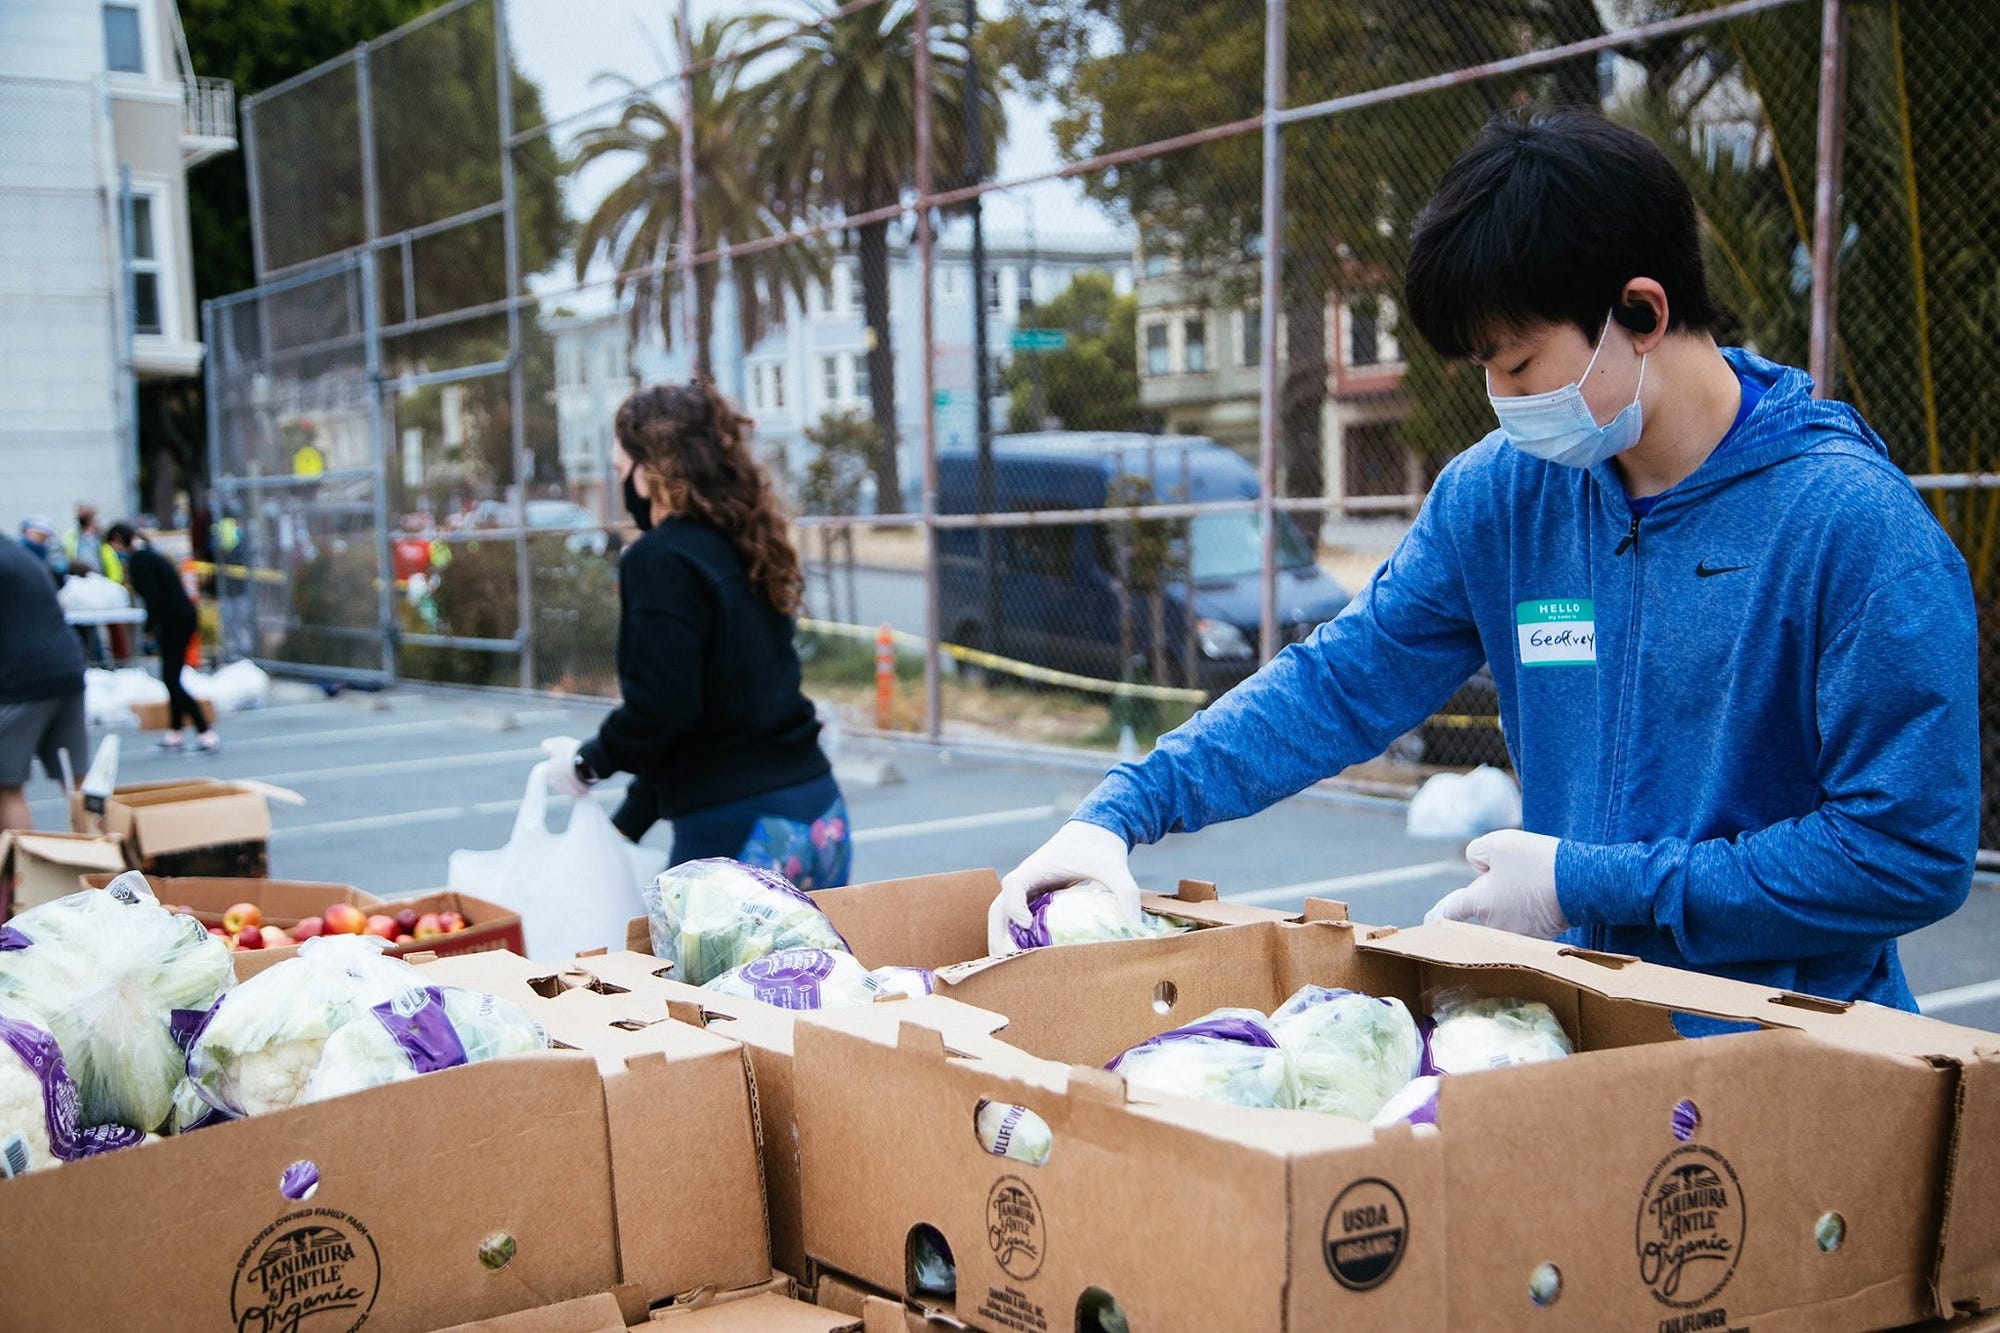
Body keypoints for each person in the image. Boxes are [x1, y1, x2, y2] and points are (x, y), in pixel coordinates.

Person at [996, 110, 1977, 1019]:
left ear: (1637, 310)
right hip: (1577, 1051)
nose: (1500, 404)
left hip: (1792, 1061)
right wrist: (1121, 811)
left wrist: (1581, 883)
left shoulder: (1848, 528)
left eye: (1514, 367)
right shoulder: (1502, 495)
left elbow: (1903, 853)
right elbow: (1340, 682)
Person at [541, 381, 851, 889]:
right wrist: (628, 824)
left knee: (689, 973)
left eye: (621, 471)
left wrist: (585, 764)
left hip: (740, 833)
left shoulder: (658, 558)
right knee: (817, 970)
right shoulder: (750, 547)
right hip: (820, 817)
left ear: (650, 470)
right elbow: (711, 713)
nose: (622, 486)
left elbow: (662, 709)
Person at [105, 522, 218, 754]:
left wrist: (149, 629)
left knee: (171, 679)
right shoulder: (148, 555)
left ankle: (204, 730)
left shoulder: (140, 561)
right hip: (179, 618)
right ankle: (175, 731)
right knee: (171, 677)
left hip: (173, 621)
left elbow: (154, 598)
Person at [0, 537, 88, 834]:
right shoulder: (19, 554)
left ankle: (18, 873)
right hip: (67, 669)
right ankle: (110, 864)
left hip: (21, 680)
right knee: (78, 783)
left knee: (6, 788)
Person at [17, 517, 61, 586]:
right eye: (40, 535)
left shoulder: (46, 550)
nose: (43, 539)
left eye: (46, 536)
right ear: (27, 532)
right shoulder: (20, 548)